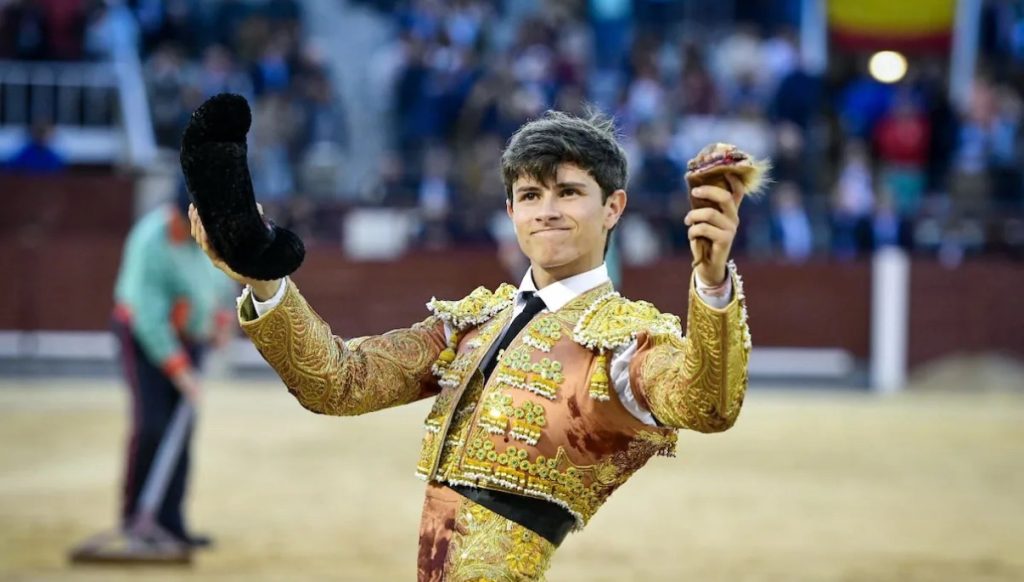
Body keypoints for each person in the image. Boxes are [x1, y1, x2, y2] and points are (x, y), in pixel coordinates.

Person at [189, 111, 751, 580]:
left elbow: (704, 402)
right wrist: (264, 281)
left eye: (569, 192)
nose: (547, 210)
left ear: (613, 207)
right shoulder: (472, 325)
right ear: (511, 212)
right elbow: (339, 383)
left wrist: (711, 283)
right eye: (530, 195)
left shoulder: (622, 341)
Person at [112, 187, 235, 548]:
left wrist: (220, 321)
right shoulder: (150, 240)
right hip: (143, 339)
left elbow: (219, 283)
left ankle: (170, 523)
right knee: (152, 425)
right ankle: (136, 521)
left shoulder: (208, 234)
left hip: (190, 338)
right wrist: (179, 370)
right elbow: (148, 316)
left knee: (181, 430)